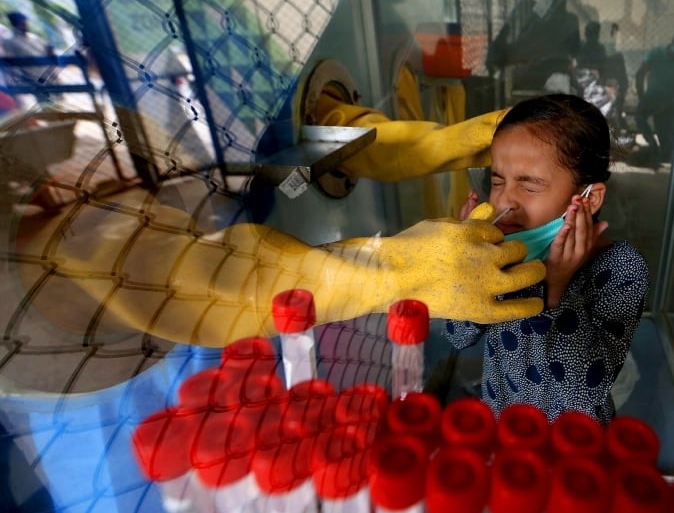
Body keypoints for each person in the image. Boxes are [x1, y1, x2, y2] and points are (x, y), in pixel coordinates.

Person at [16, 83, 547, 348]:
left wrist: (447, 144)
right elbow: (165, 276)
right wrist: (395, 268)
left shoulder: (182, 189)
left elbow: (322, 151)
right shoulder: (81, 244)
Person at [444, 94, 649, 424]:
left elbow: (581, 395)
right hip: (504, 430)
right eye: (497, 181)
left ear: (589, 198)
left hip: (573, 448)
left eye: (530, 185)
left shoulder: (622, 267)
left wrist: (556, 290)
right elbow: (459, 335)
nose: (503, 200)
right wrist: (471, 265)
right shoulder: (505, 251)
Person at [486, 0, 582, 94]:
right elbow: (497, 52)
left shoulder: (569, 21)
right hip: (530, 84)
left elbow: (496, 54)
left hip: (528, 84)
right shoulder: (525, 9)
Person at [634, 27, 674, 164]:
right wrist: (642, 96)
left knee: (664, 131)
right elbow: (640, 73)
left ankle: (662, 154)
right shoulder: (657, 53)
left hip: (670, 102)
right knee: (640, 116)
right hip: (653, 97)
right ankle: (653, 146)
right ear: (673, 41)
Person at [2, 11, 57, 107]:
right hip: (34, 77)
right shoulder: (10, 41)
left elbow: (47, 50)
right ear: (15, 24)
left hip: (48, 73)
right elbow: (11, 63)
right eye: (21, 23)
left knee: (59, 98)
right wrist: (21, 80)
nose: (24, 25)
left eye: (25, 22)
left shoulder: (34, 37)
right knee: (46, 103)